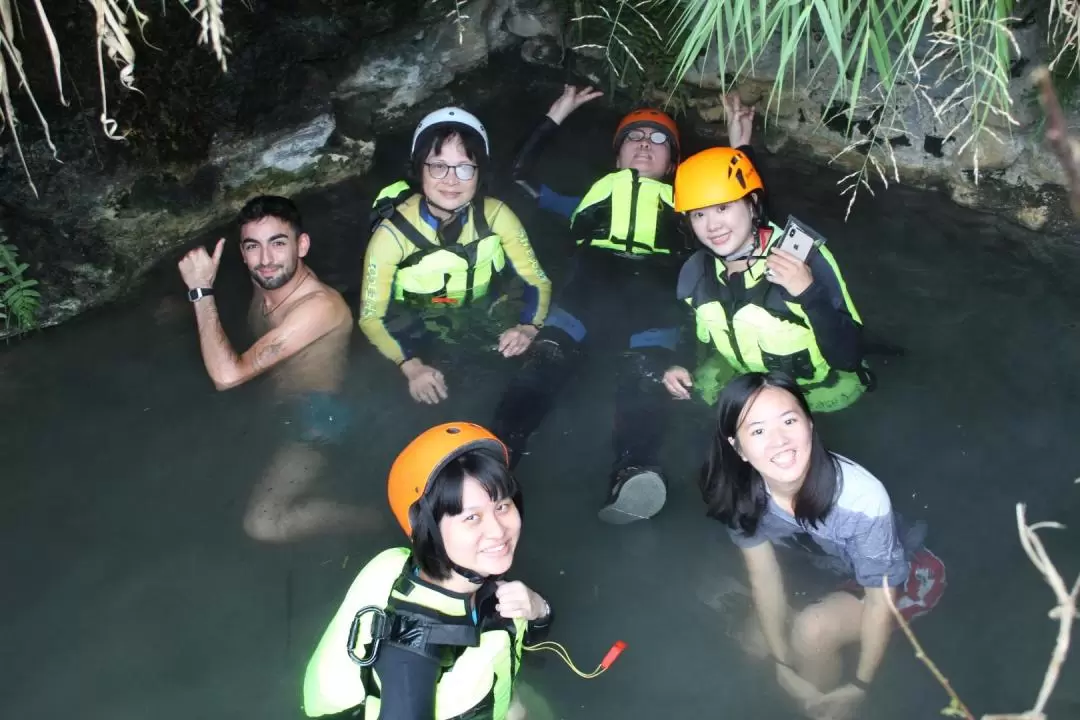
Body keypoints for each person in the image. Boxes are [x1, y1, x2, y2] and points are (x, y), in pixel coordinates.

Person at [492, 87, 756, 524]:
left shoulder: (690, 208)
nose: (645, 144)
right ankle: (496, 452)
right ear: (617, 157)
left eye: (658, 140)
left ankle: (632, 470)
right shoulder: (589, 198)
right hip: (585, 295)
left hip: (652, 302)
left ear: (673, 163)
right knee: (546, 359)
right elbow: (514, 179)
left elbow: (744, 214)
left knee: (647, 372)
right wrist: (555, 115)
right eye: (635, 137)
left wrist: (738, 148)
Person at [701, 372, 945, 720]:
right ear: (737, 448)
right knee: (755, 643)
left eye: (789, 420)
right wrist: (782, 667)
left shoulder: (861, 498)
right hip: (824, 567)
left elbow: (880, 600)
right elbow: (765, 578)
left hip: (901, 575)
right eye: (757, 430)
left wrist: (860, 688)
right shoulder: (738, 492)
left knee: (811, 632)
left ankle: (824, 711)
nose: (780, 441)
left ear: (809, 424)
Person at [302, 422, 551, 720]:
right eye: (472, 517)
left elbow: (526, 643)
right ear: (427, 530)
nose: (497, 530)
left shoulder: (400, 563)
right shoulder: (411, 655)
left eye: (502, 506)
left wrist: (538, 609)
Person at [177, 195, 379, 542]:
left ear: (302, 245)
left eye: (278, 243)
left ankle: (377, 522)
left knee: (263, 524)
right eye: (253, 247)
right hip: (276, 402)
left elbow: (227, 377)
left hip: (319, 421)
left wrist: (199, 291)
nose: (266, 260)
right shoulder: (266, 279)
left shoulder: (318, 307)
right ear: (242, 253)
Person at [359, 107, 552, 405]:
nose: (451, 180)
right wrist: (411, 367)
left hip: (482, 308)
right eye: (438, 166)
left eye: (464, 167)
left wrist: (528, 327)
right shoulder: (392, 236)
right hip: (415, 321)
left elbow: (537, 281)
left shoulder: (497, 215)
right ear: (419, 169)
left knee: (532, 376)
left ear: (479, 173)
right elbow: (372, 317)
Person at [663, 145, 872, 413]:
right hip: (747, 379)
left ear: (752, 205)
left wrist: (808, 293)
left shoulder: (804, 257)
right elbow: (691, 331)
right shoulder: (695, 271)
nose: (711, 226)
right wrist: (679, 362)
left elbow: (849, 356)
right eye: (699, 214)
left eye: (723, 207)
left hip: (819, 389)